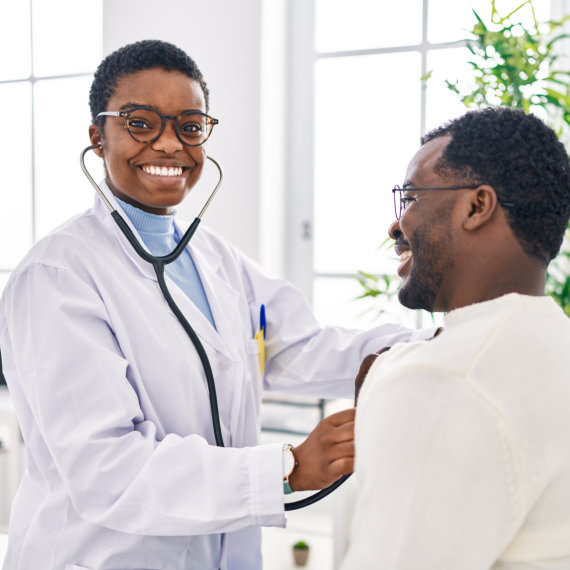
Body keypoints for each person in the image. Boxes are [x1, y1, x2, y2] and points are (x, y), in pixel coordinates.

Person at [0, 40, 431, 570]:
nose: (168, 144)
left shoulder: (213, 259)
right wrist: (288, 466)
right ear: (97, 136)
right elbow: (106, 469)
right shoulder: (58, 275)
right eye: (140, 123)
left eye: (190, 125)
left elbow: (300, 348)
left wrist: (442, 343)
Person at [341, 107, 570, 569]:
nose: (396, 225)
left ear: (476, 206)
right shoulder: (554, 344)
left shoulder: (441, 381)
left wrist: (404, 381)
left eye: (410, 198)